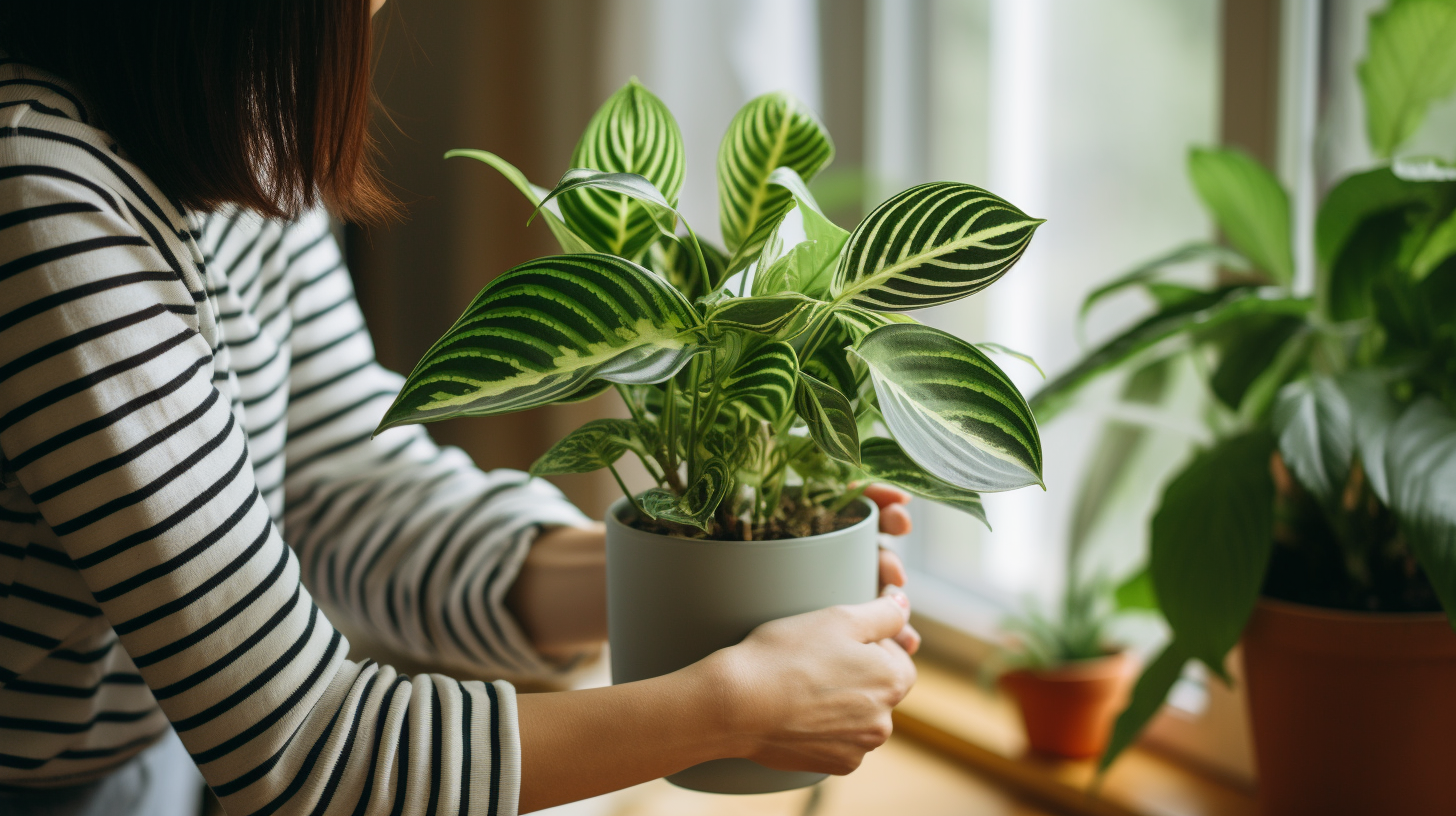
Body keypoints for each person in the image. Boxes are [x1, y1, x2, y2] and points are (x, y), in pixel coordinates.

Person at [0, 2, 921, 815]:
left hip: (152, 751)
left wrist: (686, 572)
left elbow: (337, 485)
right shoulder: (40, 196)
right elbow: (307, 757)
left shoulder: (226, 123)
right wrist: (736, 708)